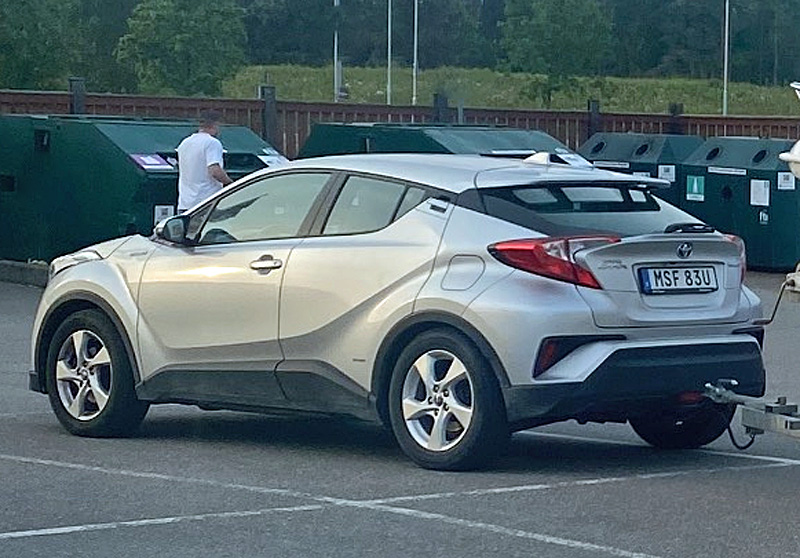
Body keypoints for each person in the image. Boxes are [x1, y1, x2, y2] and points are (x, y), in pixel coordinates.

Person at [176, 111, 233, 213]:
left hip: (185, 203)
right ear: (216, 124)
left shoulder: (185, 143)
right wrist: (230, 184)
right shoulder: (212, 143)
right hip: (206, 203)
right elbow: (214, 170)